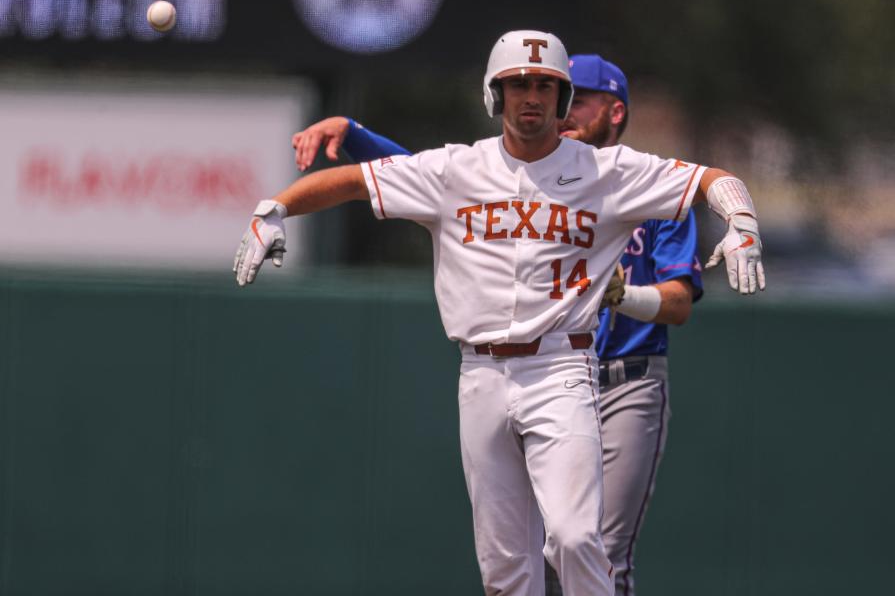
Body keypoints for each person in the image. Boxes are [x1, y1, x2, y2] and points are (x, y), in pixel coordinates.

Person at [234, 30, 765, 596]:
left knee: (574, 536)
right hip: (480, 373)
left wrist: (742, 219)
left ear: (560, 99)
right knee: (505, 568)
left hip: (562, 368)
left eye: (544, 85)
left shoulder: (607, 171)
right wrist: (277, 208)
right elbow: (354, 183)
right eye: (517, 85)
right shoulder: (456, 169)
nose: (530, 97)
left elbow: (713, 179)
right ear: (496, 95)